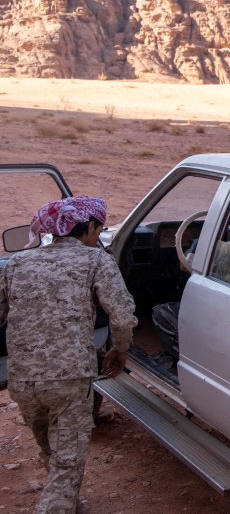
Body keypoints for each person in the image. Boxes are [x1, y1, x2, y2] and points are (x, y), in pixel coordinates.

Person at [0, 196, 137, 514]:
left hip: (22, 380)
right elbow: (121, 316)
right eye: (100, 230)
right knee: (67, 464)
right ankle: (58, 503)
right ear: (90, 227)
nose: (98, 236)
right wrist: (120, 350)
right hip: (69, 381)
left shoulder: (19, 263)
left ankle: (66, 501)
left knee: (50, 446)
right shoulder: (96, 261)